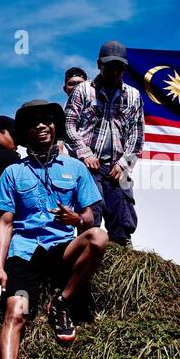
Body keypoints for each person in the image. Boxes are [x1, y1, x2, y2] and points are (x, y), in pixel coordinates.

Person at [0, 99, 108, 359]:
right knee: (16, 312)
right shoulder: (13, 172)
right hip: (25, 255)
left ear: (55, 127)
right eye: (34, 123)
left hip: (61, 251)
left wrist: (77, 220)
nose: (42, 126)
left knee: (99, 237)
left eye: (47, 121)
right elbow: (5, 221)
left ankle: (62, 302)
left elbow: (91, 218)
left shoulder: (75, 168)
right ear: (25, 133)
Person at [64, 40, 144, 245]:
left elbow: (137, 135)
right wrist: (85, 153)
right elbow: (68, 125)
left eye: (119, 67)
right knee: (91, 211)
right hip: (88, 166)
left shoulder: (133, 96)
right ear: (99, 64)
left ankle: (123, 253)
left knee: (122, 213)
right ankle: (88, 251)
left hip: (118, 165)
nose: (114, 71)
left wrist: (124, 163)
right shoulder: (83, 90)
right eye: (109, 66)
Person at [60, 66, 87, 156]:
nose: (77, 87)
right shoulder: (57, 114)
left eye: (80, 84)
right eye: (72, 83)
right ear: (65, 89)